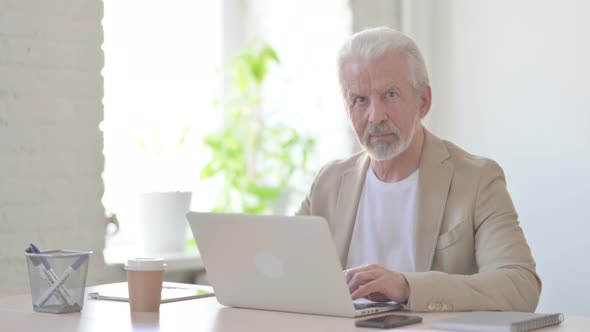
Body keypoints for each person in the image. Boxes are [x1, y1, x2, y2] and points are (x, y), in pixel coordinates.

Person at [295, 27, 541, 312]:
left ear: (423, 101)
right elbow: (285, 271)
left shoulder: (477, 179)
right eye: (360, 100)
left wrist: (407, 286)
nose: (375, 116)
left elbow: (521, 287)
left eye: (390, 94)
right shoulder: (328, 182)